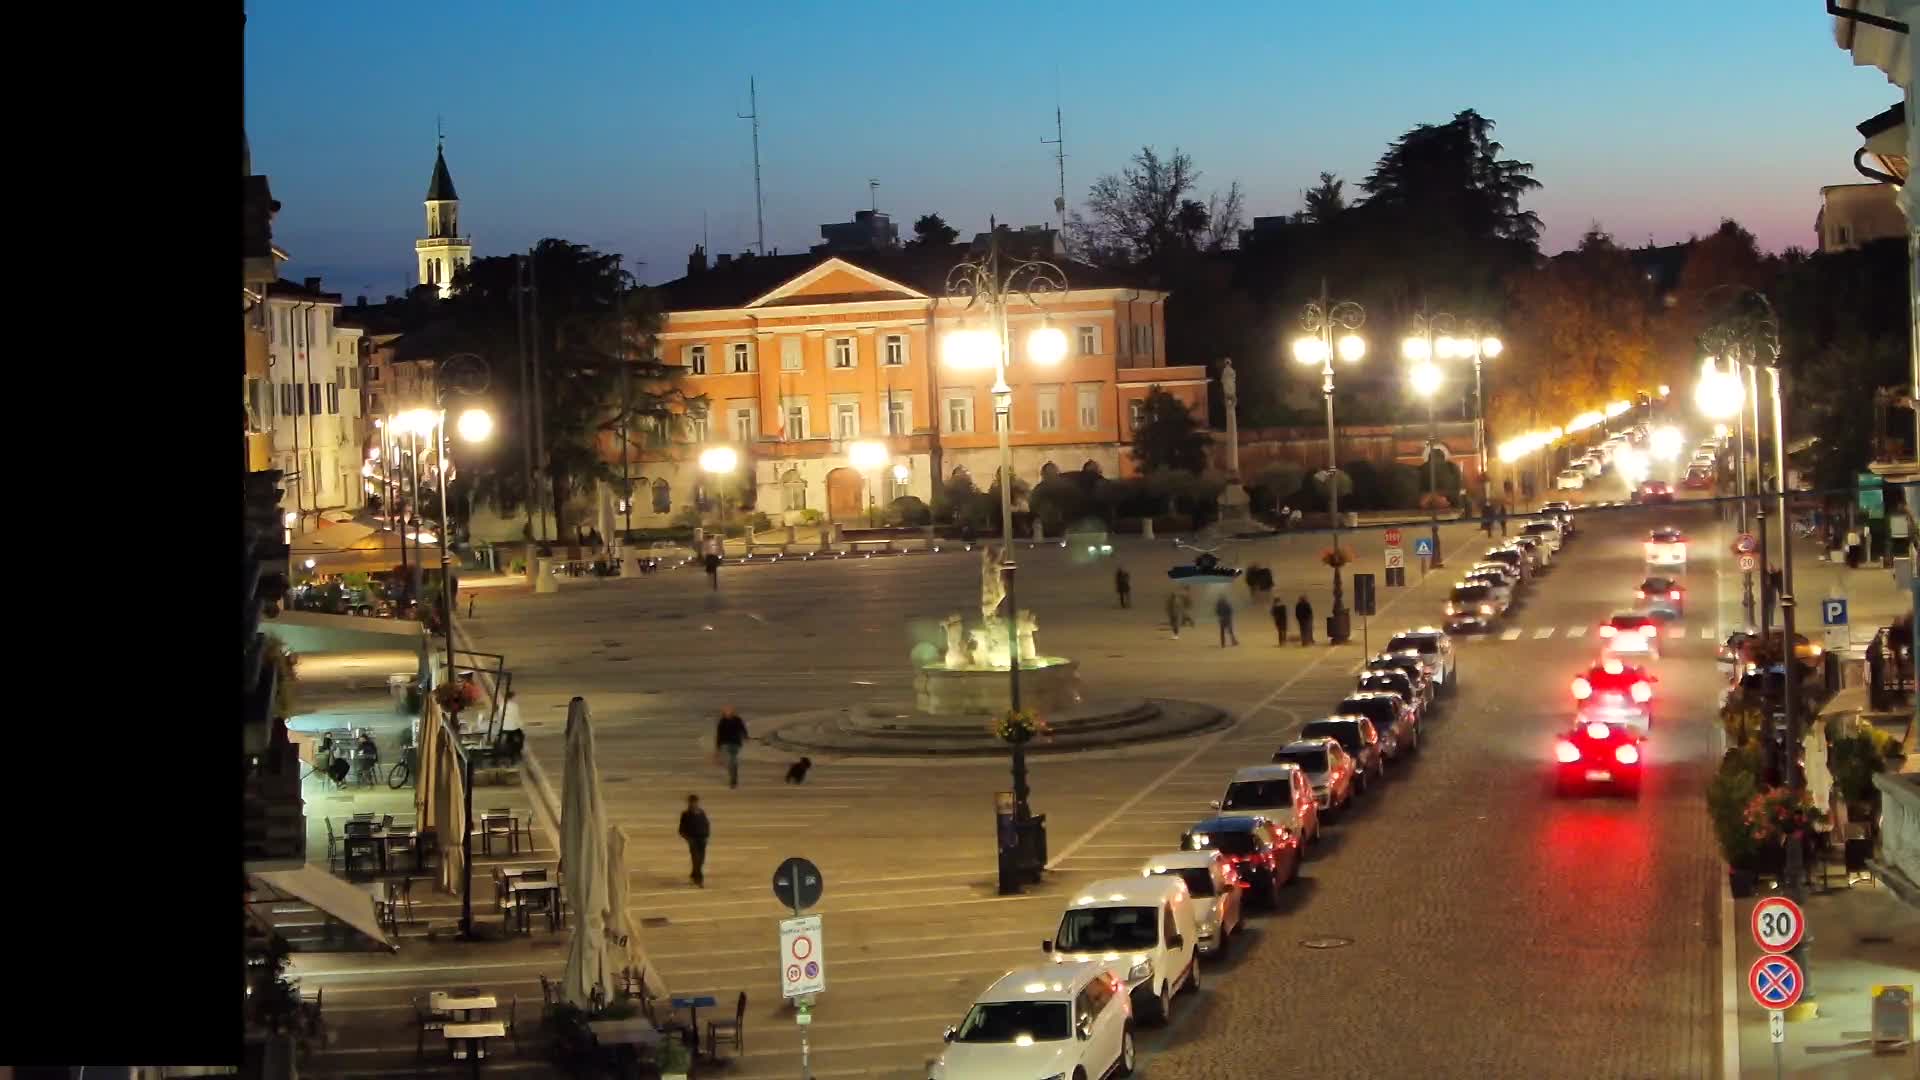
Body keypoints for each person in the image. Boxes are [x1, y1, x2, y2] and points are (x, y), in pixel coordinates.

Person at [677, 794, 710, 887]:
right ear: (689, 803)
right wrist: (688, 839)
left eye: (695, 802)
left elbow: (706, 824)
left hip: (702, 840)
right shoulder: (685, 814)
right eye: (692, 802)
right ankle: (699, 880)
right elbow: (681, 829)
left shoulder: (702, 812)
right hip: (693, 840)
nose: (694, 804)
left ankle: (693, 875)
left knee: (701, 860)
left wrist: (707, 835)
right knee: (696, 859)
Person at [715, 707, 748, 788]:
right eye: (726, 713)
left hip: (735, 743)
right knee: (730, 761)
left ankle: (733, 779)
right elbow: (719, 734)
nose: (727, 714)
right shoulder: (722, 721)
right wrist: (718, 747)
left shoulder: (737, 720)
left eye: (729, 712)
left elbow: (742, 728)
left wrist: (745, 736)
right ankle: (733, 777)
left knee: (732, 760)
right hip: (726, 743)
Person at [499, 690, 525, 760]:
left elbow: (500, 717)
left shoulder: (502, 706)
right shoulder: (514, 706)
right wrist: (521, 726)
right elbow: (516, 718)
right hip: (513, 727)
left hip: (504, 727)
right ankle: (517, 752)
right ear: (512, 697)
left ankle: (509, 752)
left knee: (509, 738)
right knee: (521, 736)